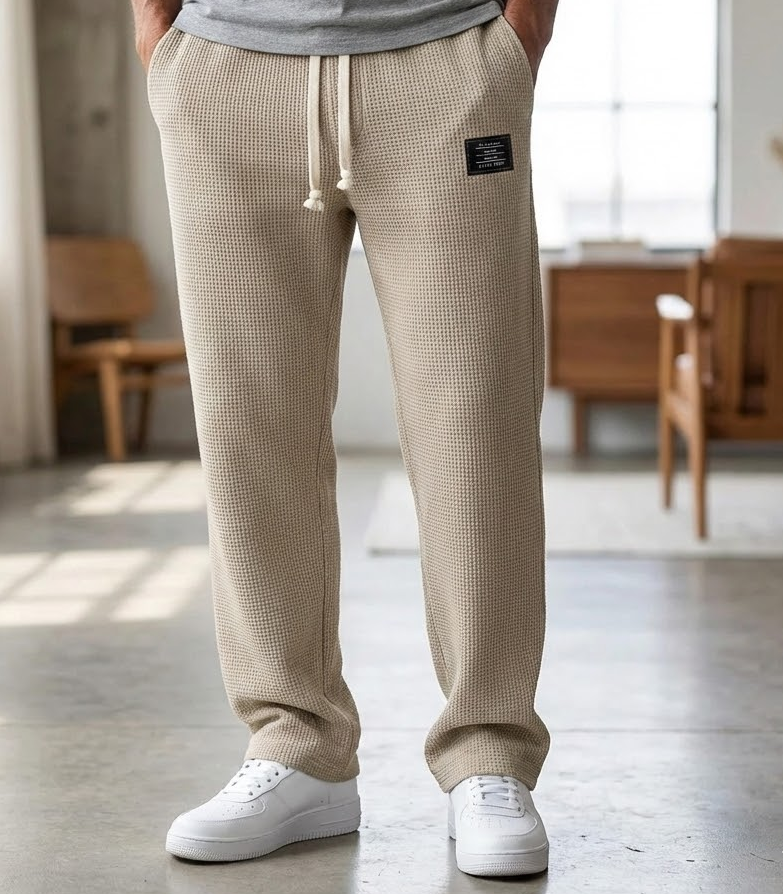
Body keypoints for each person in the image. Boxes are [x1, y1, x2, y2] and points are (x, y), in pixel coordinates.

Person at [130, 0, 558, 877]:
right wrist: (159, 34)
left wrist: (520, 36)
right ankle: (296, 744)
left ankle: (489, 746)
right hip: (224, 64)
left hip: (448, 54)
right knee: (248, 426)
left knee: (475, 423)